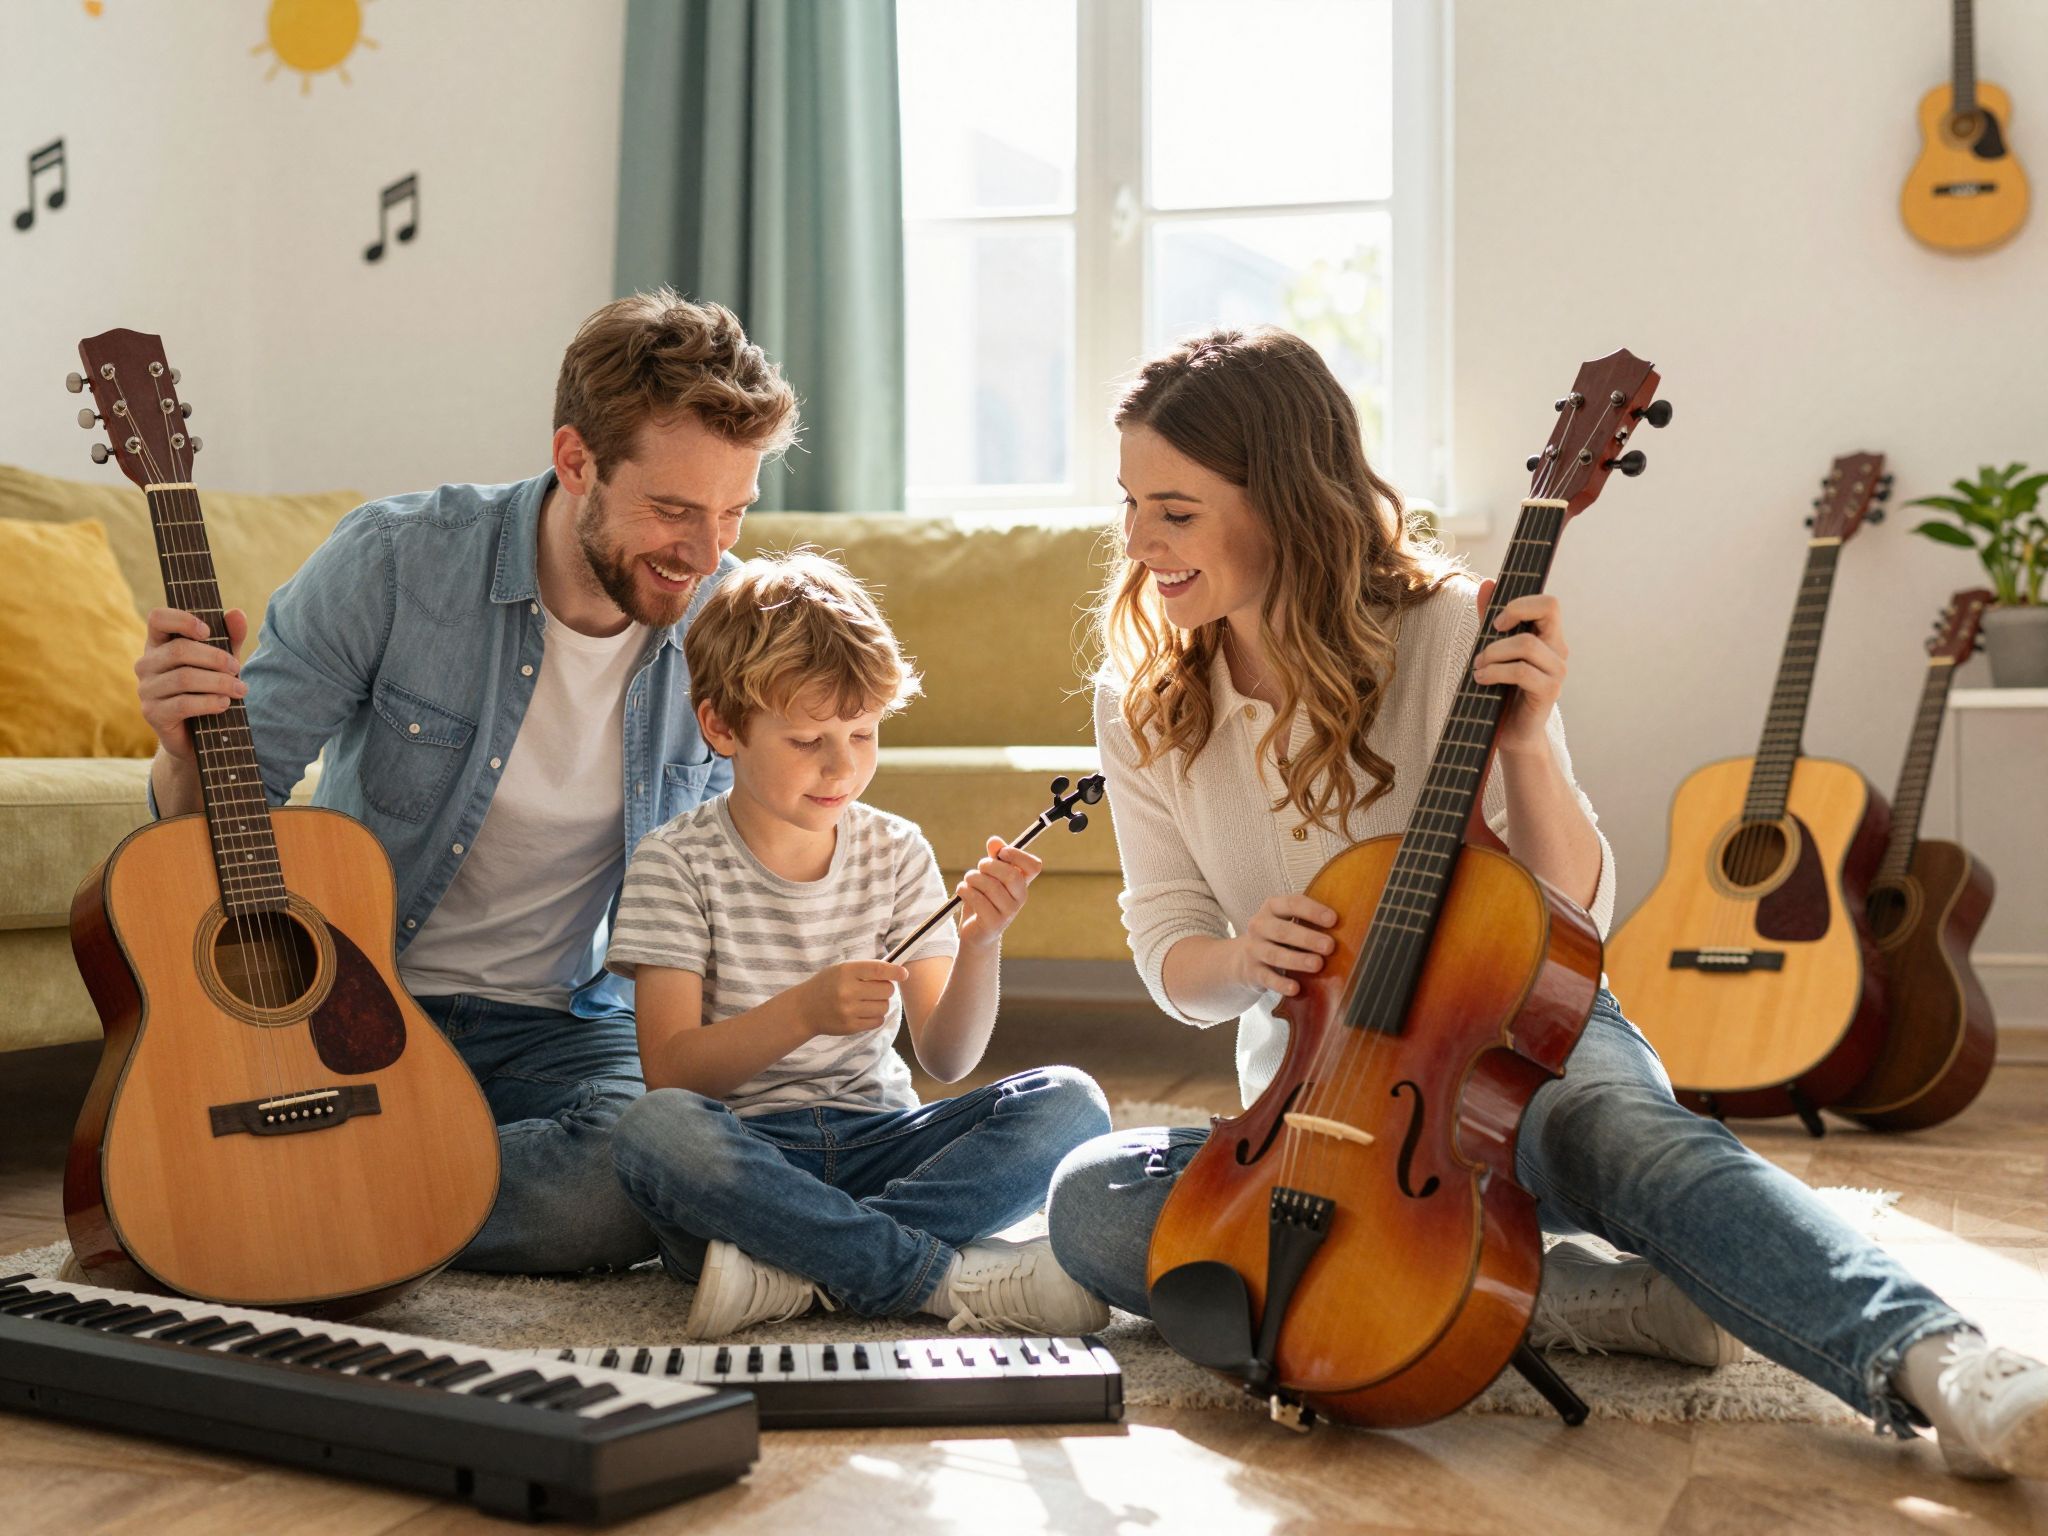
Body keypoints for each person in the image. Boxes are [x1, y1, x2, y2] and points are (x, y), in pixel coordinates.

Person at [1044, 326, 2048, 1481]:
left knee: (1620, 1137)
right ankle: (1591, 1304)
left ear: (1281, 497)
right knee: (1095, 1204)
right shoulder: (1141, 696)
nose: (1136, 543)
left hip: (1515, 1027)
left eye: (1173, 510)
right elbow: (1167, 940)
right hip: (1319, 1086)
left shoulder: (1450, 630)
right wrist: (1238, 959)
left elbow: (1574, 904)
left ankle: (1936, 1357)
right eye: (1128, 503)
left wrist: (1525, 749)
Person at [131, 290, 792, 1274]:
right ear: (576, 462)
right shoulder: (395, 562)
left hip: (563, 1027)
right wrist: (182, 749)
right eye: (672, 510)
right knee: (656, 1199)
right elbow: (214, 825)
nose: (703, 556)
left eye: (732, 513)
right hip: (352, 1008)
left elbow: (753, 875)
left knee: (622, 1176)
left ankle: (321, 1197)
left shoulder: (727, 625)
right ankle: (385, 1185)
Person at [601, 552, 1113, 1338]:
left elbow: (947, 1057)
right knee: (651, 1132)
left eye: (864, 732)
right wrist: (803, 1011)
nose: (843, 766)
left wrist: (981, 946)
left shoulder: (898, 851)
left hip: (879, 1140)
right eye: (808, 739)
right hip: (749, 1161)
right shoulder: (675, 862)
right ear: (721, 726)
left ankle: (799, 1269)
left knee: (1071, 1105)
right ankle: (932, 1275)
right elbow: (670, 1072)